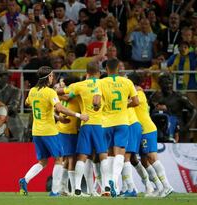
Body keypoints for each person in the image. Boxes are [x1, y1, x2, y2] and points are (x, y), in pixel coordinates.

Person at [18, 66, 88, 196]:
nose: (53, 78)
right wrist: (79, 116)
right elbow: (60, 108)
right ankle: (55, 191)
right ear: (48, 77)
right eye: (52, 76)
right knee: (59, 159)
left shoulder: (32, 91)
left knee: (43, 161)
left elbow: (30, 104)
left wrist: (57, 117)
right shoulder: (50, 92)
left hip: (37, 131)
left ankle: (25, 180)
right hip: (49, 131)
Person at [58, 61, 110, 197]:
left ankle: (77, 188)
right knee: (103, 155)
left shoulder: (79, 85)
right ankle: (106, 187)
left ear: (87, 73)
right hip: (100, 124)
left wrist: (53, 92)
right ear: (98, 73)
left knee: (82, 157)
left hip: (85, 124)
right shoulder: (103, 83)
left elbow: (64, 94)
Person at [129, 72, 174, 197]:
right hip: (140, 130)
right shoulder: (135, 93)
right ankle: (159, 187)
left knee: (152, 157)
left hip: (146, 129)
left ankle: (167, 186)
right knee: (144, 160)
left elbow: (130, 102)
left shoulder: (139, 94)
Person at [99, 58, 139, 197]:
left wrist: (97, 106)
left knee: (109, 153)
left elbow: (96, 102)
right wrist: (124, 105)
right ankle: (114, 181)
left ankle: (109, 187)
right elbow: (136, 102)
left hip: (106, 123)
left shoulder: (101, 82)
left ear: (106, 70)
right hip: (122, 122)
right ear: (118, 69)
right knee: (120, 153)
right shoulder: (127, 82)